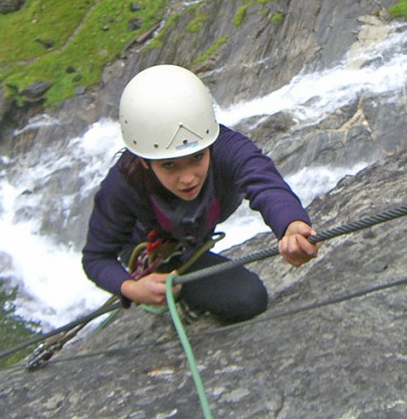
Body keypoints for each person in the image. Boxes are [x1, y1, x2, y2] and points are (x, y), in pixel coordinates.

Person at [81, 64, 319, 323]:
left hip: (190, 237)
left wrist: (292, 226)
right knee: (248, 299)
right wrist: (131, 288)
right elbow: (96, 257)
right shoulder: (124, 183)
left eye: (197, 157)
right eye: (169, 164)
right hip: (149, 252)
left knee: (248, 299)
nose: (188, 178)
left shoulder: (226, 148)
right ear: (145, 162)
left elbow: (265, 183)